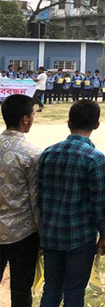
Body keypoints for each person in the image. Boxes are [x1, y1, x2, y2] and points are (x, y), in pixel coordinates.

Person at [38, 100, 105, 307]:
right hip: (80, 236)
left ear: (68, 123)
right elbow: (98, 200)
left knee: (51, 289)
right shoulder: (94, 157)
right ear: (97, 124)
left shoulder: (48, 153)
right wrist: (104, 234)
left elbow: (40, 196)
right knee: (74, 292)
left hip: (51, 234)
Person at [0, 95, 40, 307]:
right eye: (33, 114)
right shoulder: (31, 153)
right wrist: (41, 231)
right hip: (22, 233)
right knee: (21, 289)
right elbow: (35, 199)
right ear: (25, 119)